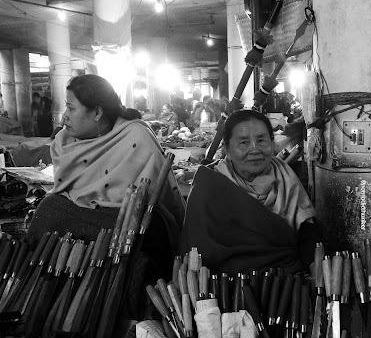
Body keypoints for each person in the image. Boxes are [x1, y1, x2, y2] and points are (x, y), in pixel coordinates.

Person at [27, 75, 185, 274]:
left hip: (128, 219)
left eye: (71, 108)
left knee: (149, 232)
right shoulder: (65, 141)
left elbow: (155, 200)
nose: (64, 116)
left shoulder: (136, 136)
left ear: (97, 112)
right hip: (83, 215)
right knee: (48, 208)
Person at [181, 109, 321, 274]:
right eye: (244, 142)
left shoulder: (285, 176)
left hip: (285, 281)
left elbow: (307, 234)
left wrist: (315, 269)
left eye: (262, 140)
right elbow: (197, 249)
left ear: (272, 142)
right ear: (227, 148)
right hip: (225, 286)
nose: (255, 150)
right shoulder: (209, 185)